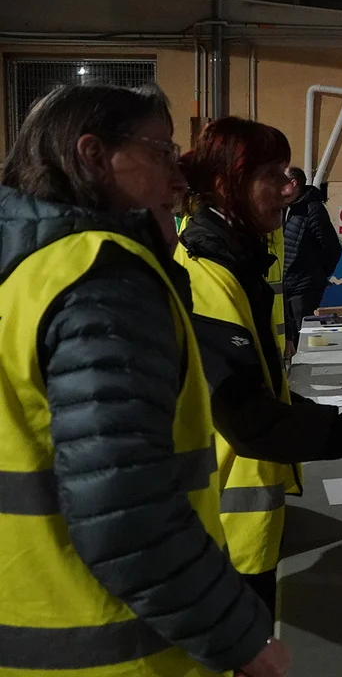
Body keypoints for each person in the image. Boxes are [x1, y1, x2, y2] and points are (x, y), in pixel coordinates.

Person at [0, 85, 288, 676]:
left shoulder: (25, 267)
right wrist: (238, 635)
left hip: (36, 625)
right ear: (93, 156)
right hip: (121, 648)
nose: (178, 177)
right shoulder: (99, 277)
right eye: (161, 152)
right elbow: (124, 507)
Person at [176, 117, 342, 616]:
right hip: (223, 534)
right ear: (227, 185)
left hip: (242, 523)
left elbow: (265, 393)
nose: (285, 189)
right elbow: (255, 423)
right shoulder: (206, 275)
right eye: (271, 175)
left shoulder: (239, 261)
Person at [281, 166, 342, 345]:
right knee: (290, 338)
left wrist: (317, 275)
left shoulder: (312, 209)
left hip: (304, 287)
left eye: (281, 182)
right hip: (285, 286)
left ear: (293, 183)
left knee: (305, 336)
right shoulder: (284, 208)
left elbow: (332, 247)